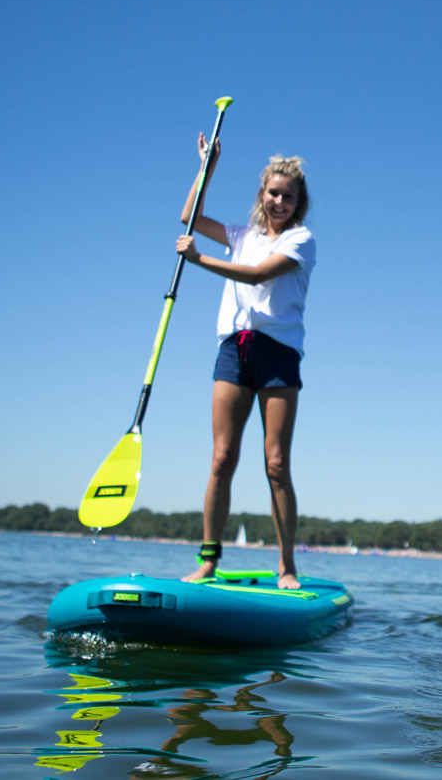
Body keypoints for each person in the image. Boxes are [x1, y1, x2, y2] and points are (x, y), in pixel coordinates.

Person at [175, 138, 316, 590]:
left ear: (298, 203)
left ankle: (287, 565)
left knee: (276, 463)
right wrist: (207, 167)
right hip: (234, 349)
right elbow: (190, 218)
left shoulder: (301, 240)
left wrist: (200, 260)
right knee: (221, 458)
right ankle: (208, 560)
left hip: (278, 352)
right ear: (262, 195)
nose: (279, 201)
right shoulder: (241, 235)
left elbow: (257, 275)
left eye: (288, 196)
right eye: (273, 193)